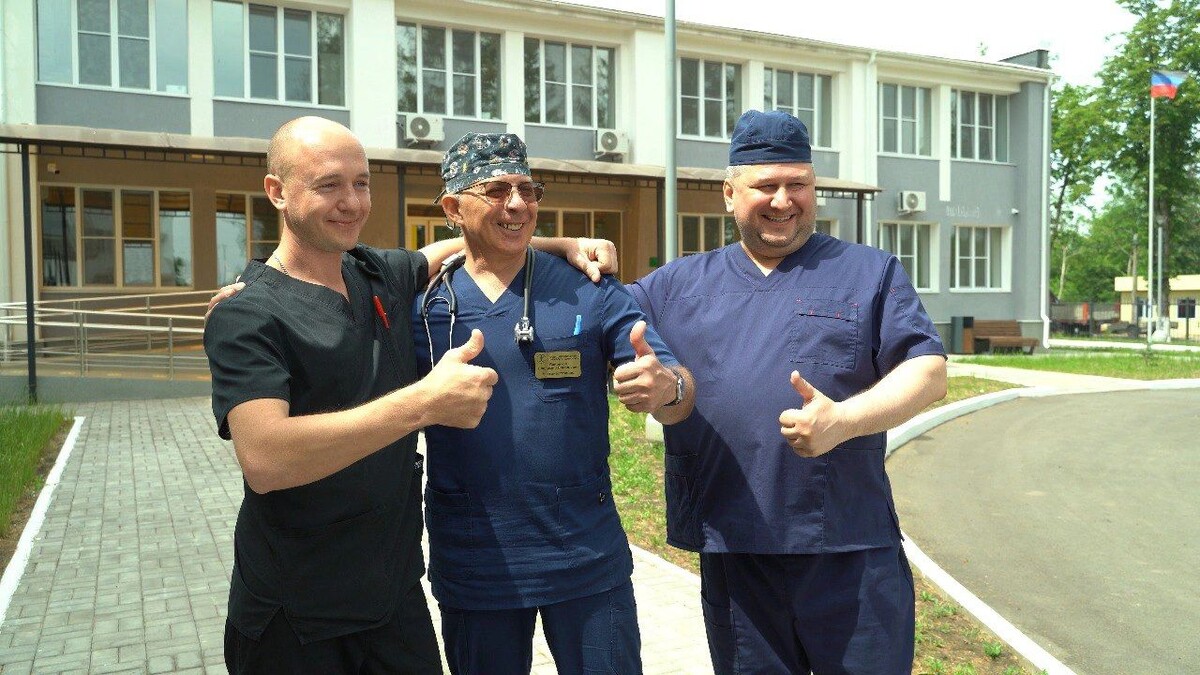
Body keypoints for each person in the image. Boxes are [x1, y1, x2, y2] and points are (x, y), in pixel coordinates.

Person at [204, 116, 620, 674]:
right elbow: (266, 459)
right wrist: (424, 402)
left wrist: (565, 243)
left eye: (361, 183)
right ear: (277, 192)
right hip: (297, 615)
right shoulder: (248, 314)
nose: (351, 202)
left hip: (395, 603)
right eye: (329, 185)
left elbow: (467, 242)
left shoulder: (374, 275)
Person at [628, 110, 948, 674]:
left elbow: (928, 372)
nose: (783, 200)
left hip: (850, 547)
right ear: (730, 193)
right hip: (736, 550)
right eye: (765, 185)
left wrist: (844, 421)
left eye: (797, 184)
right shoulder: (674, 287)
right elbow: (588, 311)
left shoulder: (868, 273)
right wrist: (571, 244)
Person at [414, 132, 695, 674]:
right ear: (452, 208)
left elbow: (677, 387)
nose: (518, 204)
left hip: (585, 557)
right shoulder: (422, 304)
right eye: (496, 191)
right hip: (477, 562)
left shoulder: (588, 288)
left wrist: (668, 389)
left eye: (528, 189)